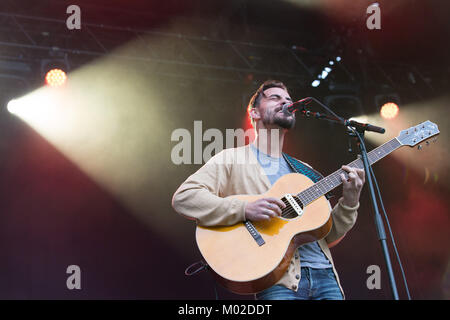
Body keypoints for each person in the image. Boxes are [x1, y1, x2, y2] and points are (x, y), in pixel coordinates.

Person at [172, 80, 365, 300]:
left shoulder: (305, 171)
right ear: (254, 113)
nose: (286, 102)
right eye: (275, 98)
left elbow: (327, 234)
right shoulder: (232, 158)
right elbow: (185, 198)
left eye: (289, 99)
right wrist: (244, 209)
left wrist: (350, 201)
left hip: (326, 278)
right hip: (278, 282)